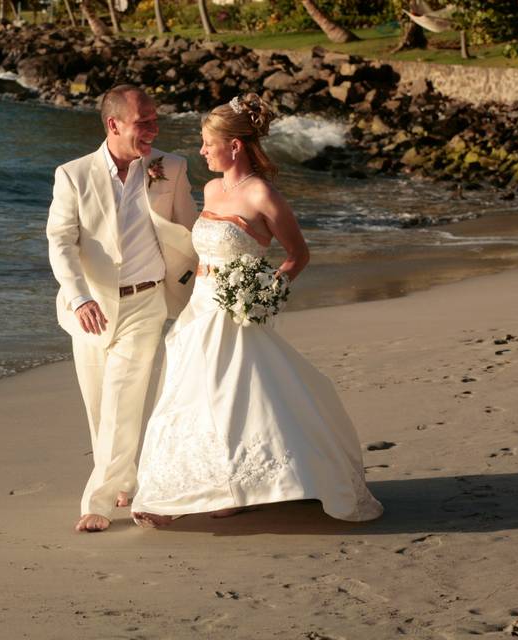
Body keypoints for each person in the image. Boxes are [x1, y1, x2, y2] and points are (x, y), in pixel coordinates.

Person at [131, 93, 384, 526]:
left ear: (234, 146)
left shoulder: (262, 193)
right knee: (186, 396)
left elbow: (297, 254)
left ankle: (235, 488)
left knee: (231, 399)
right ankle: (179, 491)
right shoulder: (210, 189)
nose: (202, 150)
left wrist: (265, 292)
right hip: (201, 307)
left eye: (208, 142)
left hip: (237, 312)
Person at [46, 85, 199, 533]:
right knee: (99, 405)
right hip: (89, 307)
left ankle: (98, 502)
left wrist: (218, 274)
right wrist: (79, 297)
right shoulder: (72, 175)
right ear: (113, 125)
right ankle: (123, 479)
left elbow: (191, 231)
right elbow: (60, 243)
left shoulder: (171, 167)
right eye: (143, 122)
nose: (153, 129)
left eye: (155, 120)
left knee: (122, 397)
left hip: (147, 300)